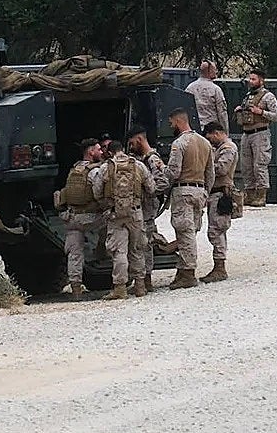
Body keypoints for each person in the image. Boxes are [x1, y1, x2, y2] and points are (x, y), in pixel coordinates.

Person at [91, 140, 156, 299]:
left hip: (115, 215)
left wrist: (108, 203)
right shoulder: (138, 165)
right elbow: (151, 188)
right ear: (123, 149)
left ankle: (120, 288)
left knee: (119, 251)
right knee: (137, 249)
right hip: (136, 213)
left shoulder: (106, 167)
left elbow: (97, 192)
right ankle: (140, 286)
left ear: (110, 152)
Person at [165, 107, 214, 290]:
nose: (171, 126)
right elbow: (210, 173)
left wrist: (162, 174)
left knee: (184, 232)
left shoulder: (179, 143)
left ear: (178, 121)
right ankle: (182, 270)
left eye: (171, 123)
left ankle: (188, 272)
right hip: (199, 190)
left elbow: (173, 172)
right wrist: (205, 192)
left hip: (183, 191)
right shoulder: (205, 143)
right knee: (191, 232)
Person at [54, 138, 105, 299]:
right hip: (91, 217)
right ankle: (102, 255)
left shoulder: (74, 170)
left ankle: (76, 288)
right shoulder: (94, 171)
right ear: (91, 152)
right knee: (116, 226)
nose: (101, 152)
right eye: (98, 149)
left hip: (73, 218)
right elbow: (99, 192)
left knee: (74, 253)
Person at [127, 126, 170, 292]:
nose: (131, 147)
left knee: (145, 243)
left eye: (132, 143)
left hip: (147, 207)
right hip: (143, 208)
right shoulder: (142, 159)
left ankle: (146, 280)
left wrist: (147, 191)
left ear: (139, 139)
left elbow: (163, 182)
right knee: (141, 242)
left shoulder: (152, 158)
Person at [233, 69, 277, 207]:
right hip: (246, 133)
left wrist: (261, 112)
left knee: (259, 165)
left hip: (260, 133)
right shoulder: (248, 96)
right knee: (246, 166)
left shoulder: (268, 97)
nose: (251, 81)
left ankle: (261, 196)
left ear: (261, 80)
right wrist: (240, 110)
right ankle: (249, 195)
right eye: (250, 79)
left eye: (254, 79)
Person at [201, 122, 239, 282]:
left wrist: (204, 167)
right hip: (215, 193)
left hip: (221, 194)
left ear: (216, 133)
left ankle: (220, 267)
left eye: (210, 137)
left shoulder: (228, 148)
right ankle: (218, 266)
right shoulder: (220, 148)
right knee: (216, 230)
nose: (210, 141)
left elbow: (222, 169)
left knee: (217, 230)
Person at [185, 61, 229, 131]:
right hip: (212, 131)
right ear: (210, 71)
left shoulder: (190, 88)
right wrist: (225, 132)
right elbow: (222, 113)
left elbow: (185, 109)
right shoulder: (216, 89)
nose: (216, 72)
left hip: (194, 130)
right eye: (215, 69)